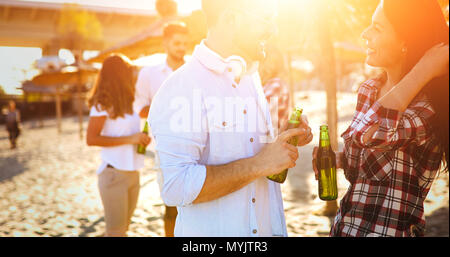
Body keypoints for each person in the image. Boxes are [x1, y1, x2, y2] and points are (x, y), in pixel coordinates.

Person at [148, 0, 313, 237]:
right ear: (230, 18)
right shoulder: (181, 87)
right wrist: (260, 164)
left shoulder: (251, 78)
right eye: (264, 18)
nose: (272, 29)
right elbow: (175, 186)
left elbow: (253, 151)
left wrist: (284, 138)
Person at [313, 0, 449, 237]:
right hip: (344, 228)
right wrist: (339, 159)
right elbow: (370, 162)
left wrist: (424, 69)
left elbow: (374, 135)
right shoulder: (369, 89)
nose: (365, 34)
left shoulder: (427, 107)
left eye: (377, 27)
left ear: (405, 40)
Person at [133, 22, 189, 237]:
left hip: (199, 145)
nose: (181, 47)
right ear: (165, 43)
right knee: (172, 203)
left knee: (197, 202)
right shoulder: (149, 74)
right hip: (165, 148)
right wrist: (167, 108)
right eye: (176, 43)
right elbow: (139, 107)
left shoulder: (196, 71)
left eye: (185, 43)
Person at [86, 54, 151, 237]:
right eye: (128, 71)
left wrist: (142, 138)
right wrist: (131, 139)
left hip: (133, 173)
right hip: (113, 175)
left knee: (122, 231)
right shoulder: (101, 104)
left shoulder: (133, 103)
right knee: (116, 233)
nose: (132, 75)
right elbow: (91, 139)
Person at [259, 44, 290, 129]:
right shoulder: (266, 85)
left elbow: (260, 114)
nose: (270, 66)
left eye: (274, 62)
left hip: (273, 139)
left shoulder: (277, 84)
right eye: (268, 61)